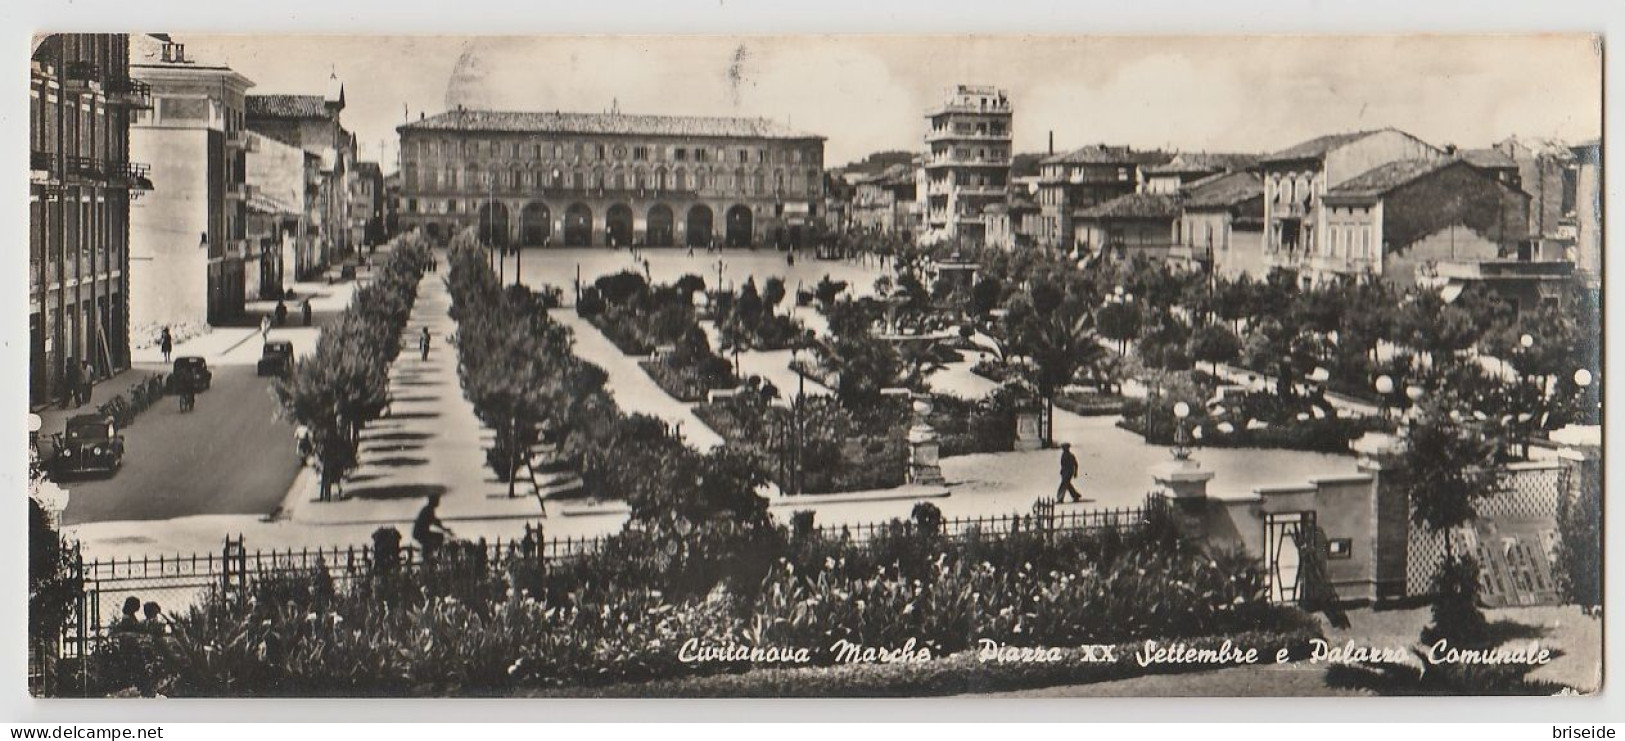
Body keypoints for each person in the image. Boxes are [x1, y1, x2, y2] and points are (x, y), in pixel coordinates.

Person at [413, 493, 453, 558]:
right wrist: (445, 530)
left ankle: (429, 552)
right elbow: (435, 522)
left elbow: (436, 521)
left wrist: (445, 529)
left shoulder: (428, 509)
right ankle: (432, 553)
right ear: (433, 501)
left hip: (421, 532)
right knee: (439, 537)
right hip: (420, 533)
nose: (438, 502)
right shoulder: (428, 510)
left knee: (436, 538)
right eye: (437, 500)